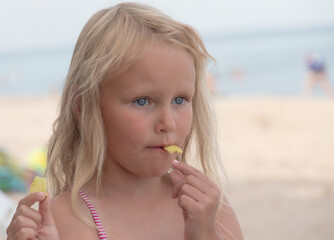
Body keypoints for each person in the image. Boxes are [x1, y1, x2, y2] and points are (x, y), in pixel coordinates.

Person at [6, 2, 243, 240]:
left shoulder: (212, 213)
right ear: (84, 107)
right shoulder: (58, 222)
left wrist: (205, 235)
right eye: (142, 101)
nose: (168, 123)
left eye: (180, 100)